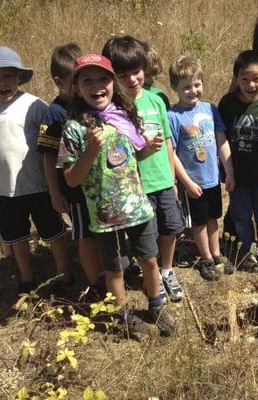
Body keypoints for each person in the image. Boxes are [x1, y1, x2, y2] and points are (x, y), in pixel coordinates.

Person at [57, 54, 175, 337]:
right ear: (76, 87)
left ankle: (156, 305)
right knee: (115, 269)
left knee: (149, 259)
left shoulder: (125, 115)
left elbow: (134, 155)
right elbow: (71, 179)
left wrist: (149, 147)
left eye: (103, 79)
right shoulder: (74, 128)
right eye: (88, 80)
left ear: (113, 83)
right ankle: (123, 317)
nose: (97, 85)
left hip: (137, 206)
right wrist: (91, 152)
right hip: (104, 216)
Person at [0, 46, 70, 296]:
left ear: (19, 77)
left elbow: (49, 147)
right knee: (15, 234)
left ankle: (63, 272)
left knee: (52, 229)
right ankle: (26, 276)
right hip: (5, 189)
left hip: (37, 184)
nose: (2, 83)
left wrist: (54, 186)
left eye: (8, 76)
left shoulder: (34, 105)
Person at [102, 35, 185, 303]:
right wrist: (142, 150)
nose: (132, 80)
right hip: (137, 186)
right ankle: (152, 276)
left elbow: (169, 140)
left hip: (163, 178)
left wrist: (172, 177)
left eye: (136, 72)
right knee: (146, 236)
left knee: (171, 227)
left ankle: (167, 270)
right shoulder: (114, 109)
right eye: (123, 75)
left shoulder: (157, 100)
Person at [37, 43, 105, 298]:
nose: (81, 87)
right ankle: (95, 281)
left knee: (99, 231)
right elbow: (47, 156)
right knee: (85, 236)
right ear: (59, 81)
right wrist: (55, 193)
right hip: (74, 190)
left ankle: (106, 270)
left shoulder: (90, 105)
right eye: (74, 82)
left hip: (97, 186)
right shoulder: (54, 114)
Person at [168, 56, 235, 281]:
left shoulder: (210, 109)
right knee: (198, 223)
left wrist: (230, 170)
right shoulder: (173, 116)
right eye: (186, 87)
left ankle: (216, 254)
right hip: (193, 182)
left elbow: (221, 140)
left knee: (214, 218)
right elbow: (172, 154)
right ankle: (205, 257)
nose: (193, 91)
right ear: (175, 88)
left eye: (197, 85)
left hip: (212, 179)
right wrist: (186, 182)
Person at [218, 50, 258, 273]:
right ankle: (247, 251)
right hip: (238, 174)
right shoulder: (227, 103)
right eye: (244, 79)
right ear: (236, 78)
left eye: (256, 79)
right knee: (241, 215)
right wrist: (227, 171)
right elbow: (221, 137)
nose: (251, 84)